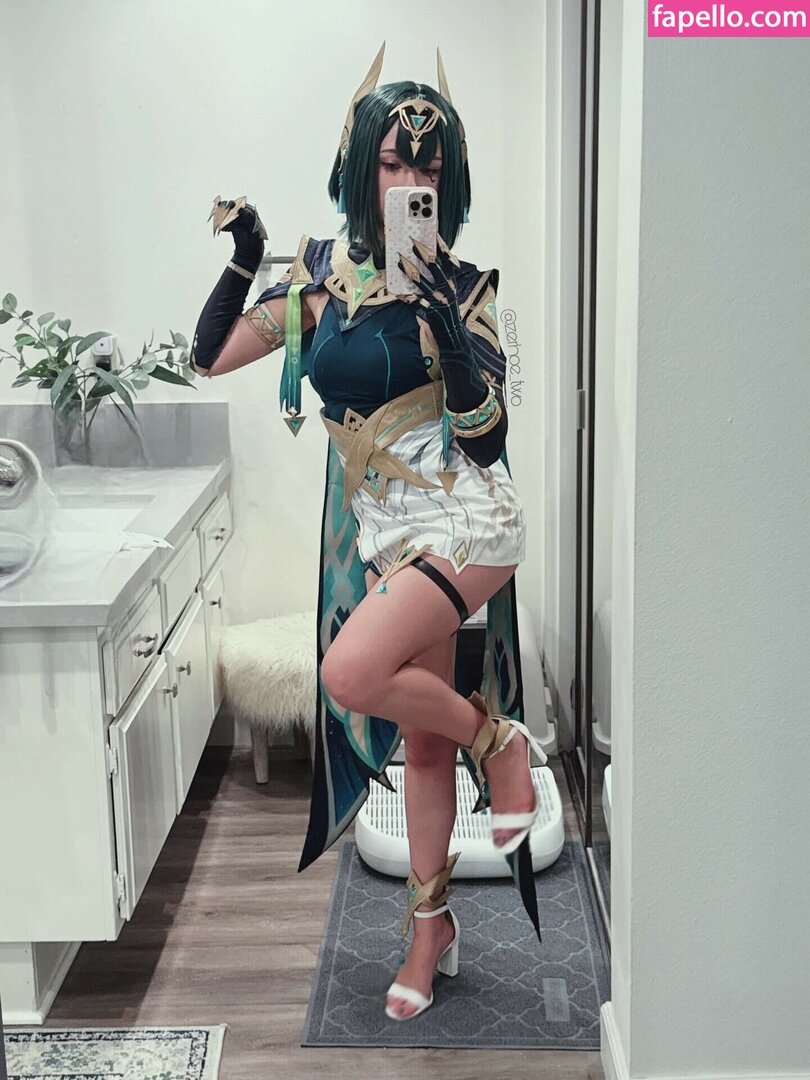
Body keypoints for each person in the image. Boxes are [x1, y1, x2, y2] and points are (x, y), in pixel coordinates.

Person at [190, 42, 549, 1022]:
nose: (407, 183)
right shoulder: (319, 283)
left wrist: (449, 335)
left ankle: (499, 743)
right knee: (419, 747)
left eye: (426, 169)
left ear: (447, 180)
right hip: (391, 538)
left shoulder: (464, 290)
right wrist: (246, 253)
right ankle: (431, 928)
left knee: (348, 676)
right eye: (392, 163)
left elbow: (489, 439)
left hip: (468, 524)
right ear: (359, 167)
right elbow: (211, 354)